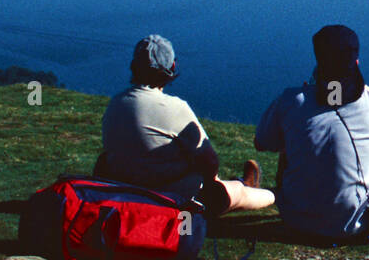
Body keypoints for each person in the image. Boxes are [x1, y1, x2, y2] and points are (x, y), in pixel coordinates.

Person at [255, 24, 369, 241]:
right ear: (356, 61)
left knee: (292, 137)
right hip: (357, 226)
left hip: (294, 220)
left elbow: (262, 142)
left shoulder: (292, 101)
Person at [97, 35, 275, 215]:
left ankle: (242, 182)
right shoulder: (174, 108)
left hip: (126, 194)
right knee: (236, 194)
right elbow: (210, 161)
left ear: (134, 66)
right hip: (173, 200)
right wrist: (213, 182)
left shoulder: (116, 104)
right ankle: (272, 194)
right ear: (172, 66)